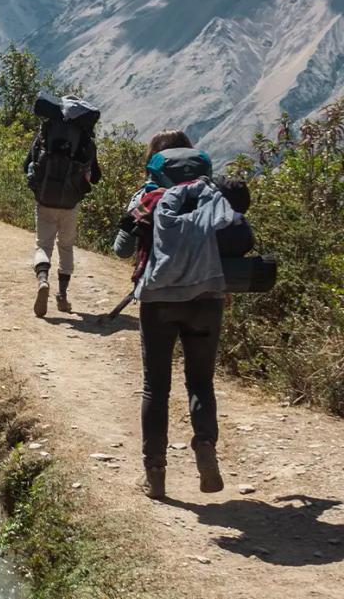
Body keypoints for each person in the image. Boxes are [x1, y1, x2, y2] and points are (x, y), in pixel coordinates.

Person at [114, 129, 242, 500]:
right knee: (200, 382)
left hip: (159, 302)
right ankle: (205, 445)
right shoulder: (212, 195)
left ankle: (155, 475)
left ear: (156, 161)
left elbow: (121, 249)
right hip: (208, 298)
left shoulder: (146, 198)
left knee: (156, 386)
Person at [24, 99, 101, 318]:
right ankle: (62, 295)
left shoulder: (45, 133)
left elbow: (26, 165)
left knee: (43, 245)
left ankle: (42, 280)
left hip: (45, 199)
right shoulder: (86, 140)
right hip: (70, 202)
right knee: (66, 246)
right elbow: (95, 177)